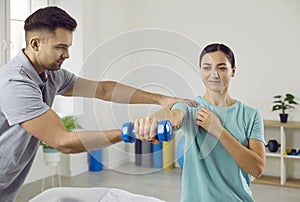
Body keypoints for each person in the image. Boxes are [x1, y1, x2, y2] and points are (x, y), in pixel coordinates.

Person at [0, 6, 197, 202]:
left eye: (68, 47)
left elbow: (103, 90)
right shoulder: (15, 84)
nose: (67, 54)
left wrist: (159, 99)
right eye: (60, 47)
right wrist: (130, 132)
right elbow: (63, 141)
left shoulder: (52, 75)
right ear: (35, 44)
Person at [134, 43, 266, 201]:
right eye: (207, 68)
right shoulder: (190, 107)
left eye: (222, 68)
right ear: (200, 71)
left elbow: (257, 169)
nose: (214, 74)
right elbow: (172, 115)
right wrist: (153, 121)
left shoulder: (251, 115)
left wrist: (218, 131)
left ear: (233, 70)